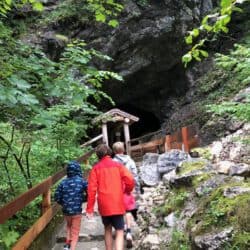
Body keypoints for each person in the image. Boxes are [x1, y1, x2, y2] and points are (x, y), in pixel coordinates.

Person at [86, 144, 134, 250]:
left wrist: (89, 209)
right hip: (117, 203)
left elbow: (91, 190)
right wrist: (127, 190)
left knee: (107, 229)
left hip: (104, 204)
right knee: (120, 231)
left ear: (98, 155)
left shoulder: (95, 169)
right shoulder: (118, 166)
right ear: (109, 152)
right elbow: (130, 180)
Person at [112, 141, 140, 248]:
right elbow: (135, 175)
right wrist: (137, 189)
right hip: (129, 188)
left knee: (120, 210)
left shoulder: (113, 162)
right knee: (128, 210)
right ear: (123, 150)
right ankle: (128, 231)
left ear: (114, 151)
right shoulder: (130, 160)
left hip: (117, 190)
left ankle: (121, 227)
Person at [55, 161, 88, 250]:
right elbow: (90, 191)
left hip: (66, 211)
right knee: (75, 231)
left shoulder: (63, 183)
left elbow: (57, 196)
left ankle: (67, 245)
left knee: (69, 226)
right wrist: (84, 199)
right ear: (78, 170)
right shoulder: (81, 181)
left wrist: (63, 203)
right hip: (77, 210)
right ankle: (72, 248)